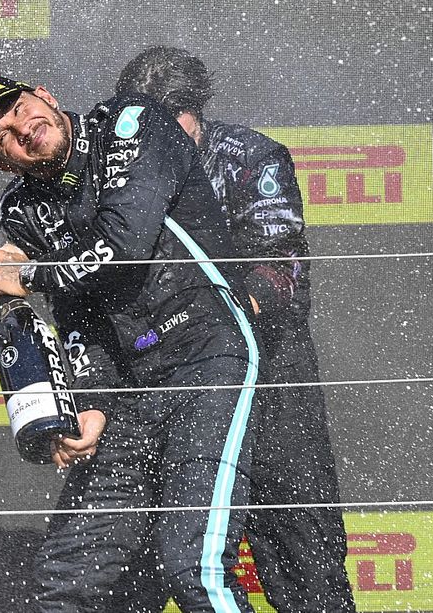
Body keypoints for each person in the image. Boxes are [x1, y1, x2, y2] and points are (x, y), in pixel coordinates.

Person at [0, 74, 265, 612]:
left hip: (207, 353)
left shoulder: (131, 123)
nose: (21, 128)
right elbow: (78, 313)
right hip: (129, 387)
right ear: (3, 161)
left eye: (18, 108)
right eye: (2, 135)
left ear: (46, 97)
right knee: (66, 580)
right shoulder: (21, 209)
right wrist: (93, 399)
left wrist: (28, 277)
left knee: (194, 565)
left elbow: (125, 243)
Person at [114, 46, 356, 612]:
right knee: (150, 564)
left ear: (197, 114)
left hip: (269, 378)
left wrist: (210, 319)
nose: (157, 142)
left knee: (306, 562)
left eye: (170, 125)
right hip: (170, 384)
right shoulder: (119, 168)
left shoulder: (251, 158)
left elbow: (285, 274)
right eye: (143, 126)